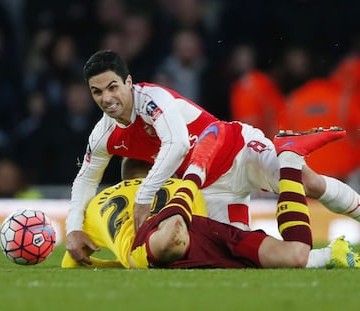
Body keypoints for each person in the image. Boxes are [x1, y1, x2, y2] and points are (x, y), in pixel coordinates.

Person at [66, 49, 360, 264]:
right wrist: (74, 229)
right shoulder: (103, 134)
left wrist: (144, 196)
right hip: (209, 190)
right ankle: (331, 257)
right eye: (97, 92)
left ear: (128, 82)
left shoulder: (154, 101)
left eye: (112, 87)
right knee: (242, 258)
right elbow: (85, 179)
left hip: (238, 151)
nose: (107, 98)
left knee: (310, 184)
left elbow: (178, 143)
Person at [62, 129, 360, 269]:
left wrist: (118, 263)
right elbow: (222, 214)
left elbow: (72, 263)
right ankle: (290, 158)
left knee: (295, 254)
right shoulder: (171, 180)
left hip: (156, 247)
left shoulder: (96, 204)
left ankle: (200, 169)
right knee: (296, 254)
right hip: (202, 227)